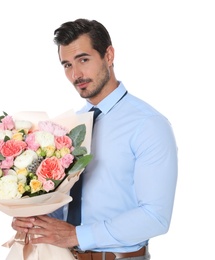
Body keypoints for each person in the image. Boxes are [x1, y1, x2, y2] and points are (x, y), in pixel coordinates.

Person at [12, 18, 178, 260]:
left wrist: (77, 236)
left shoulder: (148, 124)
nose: (75, 74)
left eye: (83, 60)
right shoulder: (71, 126)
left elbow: (155, 217)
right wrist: (35, 220)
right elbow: (68, 204)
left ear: (108, 55)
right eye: (67, 65)